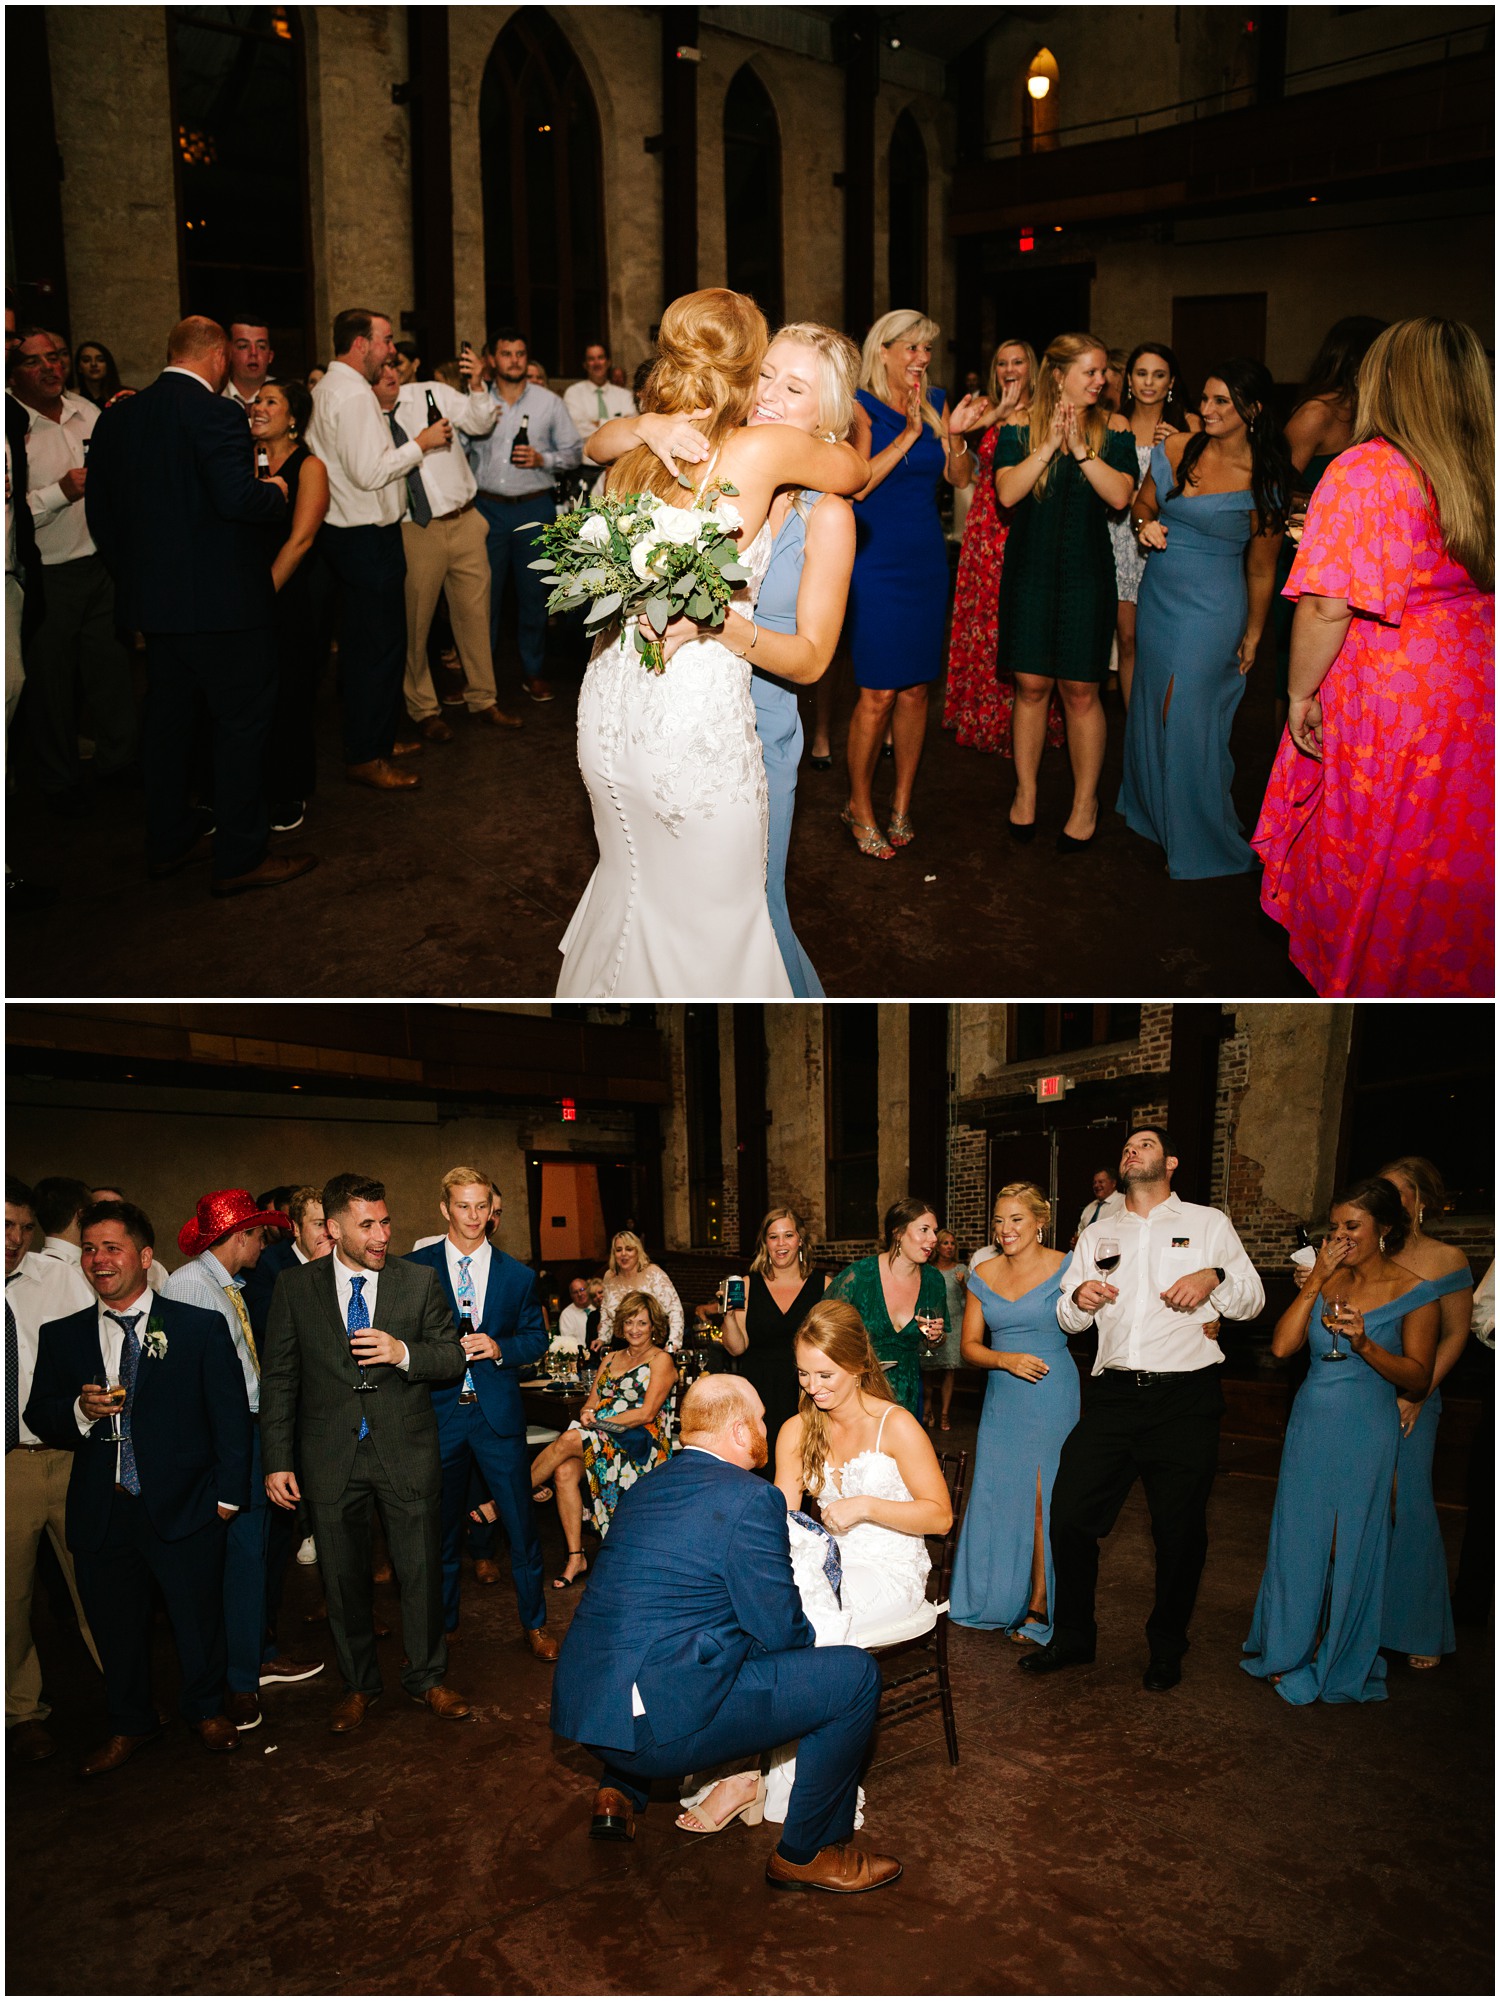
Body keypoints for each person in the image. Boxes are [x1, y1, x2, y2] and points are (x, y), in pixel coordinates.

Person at [558, 289, 865, 998]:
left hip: (748, 728)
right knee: (717, 923)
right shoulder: (697, 450)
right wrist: (648, 424)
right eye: (765, 376)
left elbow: (817, 656)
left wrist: (723, 625)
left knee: (750, 916)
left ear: (828, 415)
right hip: (688, 727)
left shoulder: (822, 509)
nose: (770, 395)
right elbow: (600, 444)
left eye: (795, 387)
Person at [550, 1373, 899, 1893]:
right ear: (739, 1432)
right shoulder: (751, 1499)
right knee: (852, 1678)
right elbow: (783, 1630)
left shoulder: (646, 1487)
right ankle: (807, 1853)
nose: (766, 1425)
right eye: (760, 1418)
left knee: (681, 1634)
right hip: (653, 1732)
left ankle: (617, 1791)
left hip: (591, 1712)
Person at [1252, 318, 1495, 997]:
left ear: (1386, 382)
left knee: (1378, 859)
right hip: (1478, 687)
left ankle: (1369, 972)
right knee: (1454, 855)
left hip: (1395, 697)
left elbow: (1328, 605)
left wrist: (1300, 694)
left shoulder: (1371, 467)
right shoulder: (1484, 463)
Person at [682, 1298, 949, 1836]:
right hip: (825, 1565)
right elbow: (778, 1518)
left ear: (857, 1365)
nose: (813, 1386)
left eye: (825, 1374)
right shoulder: (796, 1430)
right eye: (803, 1374)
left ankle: (802, 1792)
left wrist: (867, 1507)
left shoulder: (895, 1426)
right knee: (758, 1616)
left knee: (806, 1634)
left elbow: (940, 1516)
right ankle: (745, 1772)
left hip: (890, 1569)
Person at [1024, 1127, 1265, 1689]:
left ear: (1171, 1161)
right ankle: (1075, 1637)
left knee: (1178, 1534)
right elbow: (1068, 1316)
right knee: (1070, 1516)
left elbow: (1252, 1299)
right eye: (1128, 1145)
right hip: (1112, 1397)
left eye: (1148, 1143)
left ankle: (1166, 1648)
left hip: (1185, 1397)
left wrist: (1216, 1277)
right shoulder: (1098, 1232)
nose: (1133, 1149)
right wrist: (1077, 1300)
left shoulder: (1207, 1224)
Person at [85, 314, 317, 896]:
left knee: (168, 730)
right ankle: (240, 857)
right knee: (240, 728)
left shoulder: (119, 417)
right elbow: (236, 499)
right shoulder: (216, 413)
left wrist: (137, 582)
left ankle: (167, 842)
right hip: (227, 610)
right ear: (217, 358)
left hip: (157, 612)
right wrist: (275, 494)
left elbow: (102, 516)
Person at [24, 1200, 251, 1772]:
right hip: (104, 1508)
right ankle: (130, 1724)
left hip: (186, 1505)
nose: (100, 1260)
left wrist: (227, 1497)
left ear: (145, 1258)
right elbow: (40, 1414)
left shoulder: (196, 1327)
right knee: (114, 1626)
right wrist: (79, 1410)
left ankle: (204, 1710)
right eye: (91, 1250)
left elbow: (229, 1417)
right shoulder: (63, 1336)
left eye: (113, 1248)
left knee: (196, 1619)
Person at [260, 1172, 471, 1731]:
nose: (382, 1235)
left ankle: (428, 1678)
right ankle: (357, 1685)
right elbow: (279, 1379)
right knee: (342, 1579)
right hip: (330, 1456)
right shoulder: (295, 1288)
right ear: (333, 1229)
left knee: (420, 1573)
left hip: (405, 1449)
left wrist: (403, 1352)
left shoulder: (418, 1281)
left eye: (386, 1221)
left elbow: (450, 1358)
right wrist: (278, 1458)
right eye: (368, 1225)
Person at [1242, 1180, 1437, 1704]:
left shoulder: (1416, 1291)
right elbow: (1283, 1346)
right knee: (1299, 1536)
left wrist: (1364, 1343)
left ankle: (1338, 1651)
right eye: (1334, 1227)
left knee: (1348, 1541)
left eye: (1352, 1226)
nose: (1340, 1236)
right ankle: (1288, 1646)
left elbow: (1418, 1378)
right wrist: (1317, 1280)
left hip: (1366, 1426)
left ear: (1385, 1229)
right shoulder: (1327, 1281)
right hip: (1310, 1420)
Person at [1117, 358, 1289, 879]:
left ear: (1252, 411)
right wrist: (1145, 527)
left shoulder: (1264, 478)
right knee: (1153, 704)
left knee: (1187, 711)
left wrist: (1255, 633)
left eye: (1221, 402)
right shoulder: (1175, 448)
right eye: (1205, 399)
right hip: (1161, 593)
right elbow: (1142, 506)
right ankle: (1155, 813)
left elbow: (1261, 570)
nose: (1206, 410)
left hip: (1214, 606)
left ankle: (1199, 832)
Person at [162, 1189, 323, 1728]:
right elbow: (189, 1385)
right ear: (239, 1237)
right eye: (259, 1233)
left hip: (249, 1433)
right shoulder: (189, 1286)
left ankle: (252, 1659)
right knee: (237, 1563)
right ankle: (238, 1681)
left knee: (254, 1557)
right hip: (226, 1442)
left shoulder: (226, 1284)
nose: (265, 1242)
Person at [405, 1168, 556, 1661]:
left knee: (520, 1528)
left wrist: (498, 1347)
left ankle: (535, 1624)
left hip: (497, 1419)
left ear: (493, 1210)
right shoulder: (415, 1268)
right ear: (445, 1209)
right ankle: (444, 1625)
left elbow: (536, 1339)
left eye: (481, 1207)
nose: (473, 1217)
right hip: (440, 1414)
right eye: (462, 1206)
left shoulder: (517, 1275)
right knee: (441, 1531)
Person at [994, 332, 1138, 849]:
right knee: (1031, 686)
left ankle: (1085, 802)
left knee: (1081, 691)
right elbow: (1007, 493)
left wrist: (1079, 451)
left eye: (1102, 372)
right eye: (1091, 372)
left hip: (1086, 575)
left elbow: (1121, 496)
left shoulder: (1114, 429)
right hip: (1030, 572)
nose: (1102, 380)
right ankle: (1026, 794)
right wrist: (1049, 445)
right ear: (1059, 376)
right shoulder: (1017, 427)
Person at [837, 309, 970, 860]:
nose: (920, 360)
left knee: (917, 690)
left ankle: (901, 803)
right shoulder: (859, 407)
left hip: (924, 556)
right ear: (883, 350)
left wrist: (952, 437)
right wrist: (911, 434)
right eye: (910, 348)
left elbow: (961, 479)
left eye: (926, 350)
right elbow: (859, 486)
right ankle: (859, 805)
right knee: (877, 693)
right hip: (875, 561)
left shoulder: (938, 402)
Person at [308, 306, 453, 794]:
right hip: (365, 536)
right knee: (376, 647)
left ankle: (378, 739)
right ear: (360, 344)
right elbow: (371, 472)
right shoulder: (350, 396)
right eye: (386, 340)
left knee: (372, 645)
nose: (392, 350)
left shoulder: (333, 388)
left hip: (354, 534)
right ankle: (367, 755)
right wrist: (422, 443)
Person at [12, 326, 139, 806]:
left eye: (57, 356)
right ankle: (59, 781)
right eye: (34, 361)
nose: (51, 367)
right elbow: (10, 507)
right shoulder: (11, 425)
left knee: (110, 674)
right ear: (13, 371)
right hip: (45, 574)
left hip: (100, 565)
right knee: (50, 686)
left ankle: (119, 763)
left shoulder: (88, 413)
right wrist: (59, 492)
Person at [6, 1173, 103, 1762]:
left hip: (68, 1455)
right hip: (6, 1469)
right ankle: (22, 1713)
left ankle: (129, 1692)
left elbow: (97, 1349)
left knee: (98, 1580)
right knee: (9, 1601)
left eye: (21, 1227)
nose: (14, 1238)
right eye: (3, 1227)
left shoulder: (57, 1279)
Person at [950, 1183, 1074, 1642]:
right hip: (1004, 1395)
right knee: (996, 1493)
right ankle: (992, 1597)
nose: (1005, 1230)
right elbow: (968, 1347)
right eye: (999, 1220)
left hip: (1050, 1390)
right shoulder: (982, 1271)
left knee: (1045, 1499)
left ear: (1040, 1222)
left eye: (1016, 1219)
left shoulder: (1067, 1266)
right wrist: (1005, 1360)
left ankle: (1040, 1606)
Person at [378, 352, 523, 739]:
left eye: (395, 365)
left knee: (475, 617)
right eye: (382, 370)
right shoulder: (365, 418)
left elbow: (478, 422)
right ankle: (423, 709)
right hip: (415, 529)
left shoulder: (431, 392)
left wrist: (477, 385)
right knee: (416, 623)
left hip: (465, 520)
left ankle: (484, 698)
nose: (391, 374)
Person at [1377, 1157, 1474, 1671]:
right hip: (1364, 1392)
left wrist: (1419, 1392)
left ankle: (1421, 1626)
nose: (1388, 1202)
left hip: (1417, 1392)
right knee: (1366, 1506)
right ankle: (1367, 1620)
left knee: (1408, 1503)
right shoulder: (1367, 1252)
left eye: (1398, 1193)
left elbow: (1456, 1334)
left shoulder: (1446, 1257)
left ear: (1419, 1202)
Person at [940, 338, 1057, 760]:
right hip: (987, 531)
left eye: (1019, 362)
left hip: (1029, 527)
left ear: (1033, 368)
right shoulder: (982, 410)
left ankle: (1030, 718)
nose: (1010, 369)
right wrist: (982, 423)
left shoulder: (1048, 411)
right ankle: (983, 716)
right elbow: (958, 477)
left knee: (1021, 626)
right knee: (984, 624)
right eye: (1003, 362)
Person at [1271, 316, 1388, 721]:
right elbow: (1274, 488)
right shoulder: (1317, 413)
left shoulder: (1379, 414)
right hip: (1308, 558)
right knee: (1296, 668)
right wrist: (1317, 515)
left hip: (1358, 564)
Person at [464, 326, 582, 705]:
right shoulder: (477, 401)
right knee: (483, 598)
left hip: (533, 506)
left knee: (534, 597)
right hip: (485, 508)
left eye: (520, 353)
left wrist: (542, 459)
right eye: (506, 353)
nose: (514, 360)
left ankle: (533, 671)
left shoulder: (548, 402)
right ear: (492, 359)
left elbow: (575, 453)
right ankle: (483, 681)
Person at [532, 1289, 676, 1589]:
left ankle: (507, 1497)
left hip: (639, 1442)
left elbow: (647, 1413)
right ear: (620, 1326)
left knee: (569, 1439)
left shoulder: (660, 1360)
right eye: (628, 1323)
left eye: (642, 1323)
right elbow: (592, 1400)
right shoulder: (610, 1358)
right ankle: (576, 1557)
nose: (634, 1329)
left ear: (654, 1327)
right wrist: (587, 1412)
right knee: (564, 1470)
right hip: (602, 1434)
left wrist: (598, 1422)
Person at [248, 378, 329, 834]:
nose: (258, 407)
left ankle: (288, 788)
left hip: (289, 592)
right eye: (257, 400)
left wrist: (261, 595)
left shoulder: (309, 466)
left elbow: (300, 541)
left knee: (289, 693)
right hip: (244, 591)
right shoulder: (243, 460)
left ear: (293, 417)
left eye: (270, 401)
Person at [1109, 342, 1198, 709]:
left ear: (1171, 381)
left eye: (1158, 375)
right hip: (1118, 536)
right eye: (1142, 373)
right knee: (1127, 638)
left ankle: (1162, 722)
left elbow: (1200, 490)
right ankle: (1134, 726)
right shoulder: (1116, 422)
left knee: (1162, 640)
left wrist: (1178, 449)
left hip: (1167, 537)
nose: (1149, 383)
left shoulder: (1189, 423)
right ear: (1129, 378)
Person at [720, 1206, 829, 1464]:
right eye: (773, 1236)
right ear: (764, 1243)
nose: (781, 1243)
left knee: (804, 1464)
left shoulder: (823, 1286)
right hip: (759, 1393)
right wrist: (727, 1314)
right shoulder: (747, 1285)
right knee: (762, 1465)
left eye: (788, 1235)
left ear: (800, 1240)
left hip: (806, 1392)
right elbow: (736, 1348)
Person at [826, 1197, 948, 1419]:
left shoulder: (934, 1280)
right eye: (924, 1230)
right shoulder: (859, 1276)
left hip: (907, 1390)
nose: (933, 1239)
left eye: (934, 1231)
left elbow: (934, 1343)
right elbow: (822, 1331)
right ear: (898, 1233)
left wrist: (936, 1337)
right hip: (860, 1391)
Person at [598, 1231, 684, 1352]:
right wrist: (602, 1338)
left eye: (629, 1249)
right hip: (621, 1346)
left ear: (637, 1251)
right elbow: (605, 1311)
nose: (623, 1254)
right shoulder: (609, 1276)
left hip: (653, 1345)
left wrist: (673, 1342)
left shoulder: (653, 1273)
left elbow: (675, 1310)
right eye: (618, 1250)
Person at [920, 1229, 967, 1431]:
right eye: (945, 1243)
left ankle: (945, 1414)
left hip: (954, 1323)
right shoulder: (927, 1269)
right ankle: (928, 1409)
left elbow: (970, 1300)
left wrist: (963, 1283)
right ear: (937, 1247)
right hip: (932, 1322)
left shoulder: (961, 1269)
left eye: (953, 1244)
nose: (949, 1247)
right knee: (928, 1369)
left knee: (949, 1370)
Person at [223, 317, 275, 413]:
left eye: (261, 347)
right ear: (229, 353)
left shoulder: (287, 396)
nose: (253, 353)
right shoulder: (214, 395)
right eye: (243, 346)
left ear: (270, 356)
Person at [1074, 1168, 1124, 1242]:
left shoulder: (1124, 1203)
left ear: (1113, 1183)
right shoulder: (1089, 1207)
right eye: (1094, 1183)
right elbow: (1080, 1231)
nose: (1096, 1185)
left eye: (1101, 1182)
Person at [73, 341, 124, 411]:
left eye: (100, 360)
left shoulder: (123, 396)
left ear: (108, 365)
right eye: (86, 360)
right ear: (79, 367)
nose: (93, 364)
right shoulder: (71, 398)